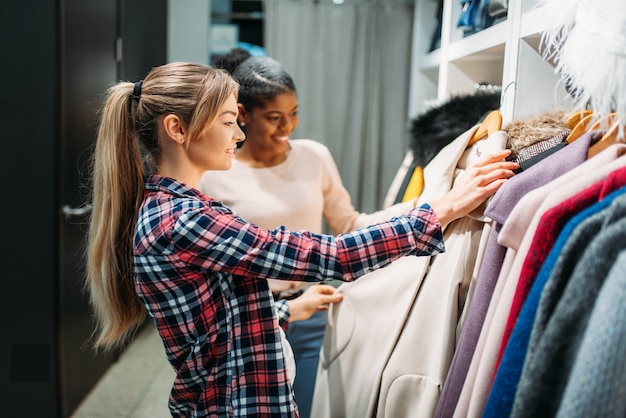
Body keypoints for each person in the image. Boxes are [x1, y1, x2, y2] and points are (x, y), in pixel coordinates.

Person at [85, 61, 517, 417]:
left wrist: (288, 308)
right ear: (177, 129)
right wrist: (443, 208)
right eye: (228, 122)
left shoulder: (181, 209)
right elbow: (328, 254)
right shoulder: (183, 220)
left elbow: (221, 320)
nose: (238, 134)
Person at [199, 49, 451, 418]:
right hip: (252, 318)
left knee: (310, 407)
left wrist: (428, 206)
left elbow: (349, 225)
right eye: (274, 118)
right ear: (243, 115)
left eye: (294, 114)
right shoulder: (214, 174)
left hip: (315, 311)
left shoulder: (314, 157)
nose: (287, 128)